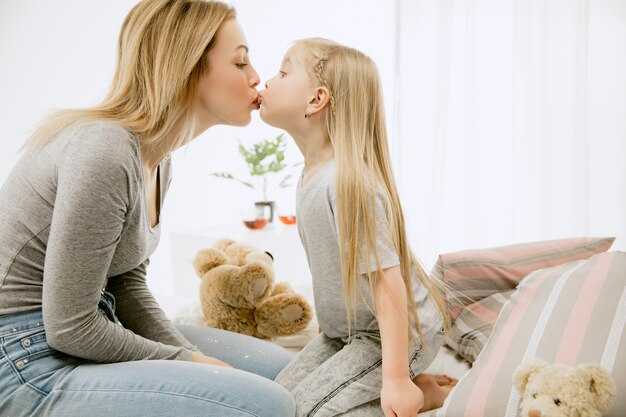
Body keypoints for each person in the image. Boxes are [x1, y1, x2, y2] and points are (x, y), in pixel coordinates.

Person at [0, 1, 295, 416]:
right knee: (269, 405)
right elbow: (69, 327)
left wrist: (192, 358)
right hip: (23, 359)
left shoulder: (157, 159)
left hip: (87, 329)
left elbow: (126, 286)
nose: (255, 77)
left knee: (289, 374)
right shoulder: (104, 151)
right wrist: (189, 364)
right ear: (188, 67)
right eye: (241, 62)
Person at [258, 38, 457, 417]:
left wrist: (395, 380)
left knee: (301, 411)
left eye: (282, 72)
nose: (266, 81)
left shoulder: (348, 183)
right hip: (347, 332)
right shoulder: (310, 177)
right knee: (270, 401)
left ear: (316, 100)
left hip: (392, 334)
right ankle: (414, 385)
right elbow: (333, 269)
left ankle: (420, 392)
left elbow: (387, 281)